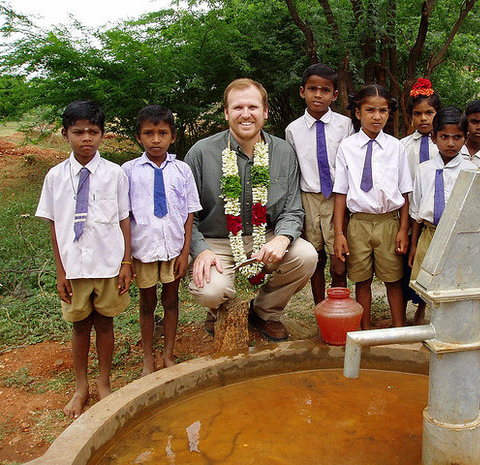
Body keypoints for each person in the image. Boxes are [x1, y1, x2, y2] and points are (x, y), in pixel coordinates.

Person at [185, 78, 318, 342]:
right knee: (212, 290)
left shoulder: (283, 151)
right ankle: (219, 310)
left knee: (306, 256)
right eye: (237, 108)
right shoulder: (201, 153)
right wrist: (201, 251)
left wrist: (282, 238)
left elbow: (292, 209)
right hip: (215, 241)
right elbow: (187, 217)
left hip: (265, 237)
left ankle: (264, 312)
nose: (246, 114)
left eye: (253, 107)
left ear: (265, 112)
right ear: (226, 112)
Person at [35, 100, 132, 418]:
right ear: (65, 134)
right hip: (74, 267)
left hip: (107, 263)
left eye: (93, 131)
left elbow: (123, 220)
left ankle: (103, 384)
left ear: (103, 135)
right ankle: (81, 387)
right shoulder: (55, 177)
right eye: (78, 132)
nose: (86, 138)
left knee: (105, 323)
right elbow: (55, 226)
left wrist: (126, 263)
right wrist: (61, 271)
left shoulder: (114, 174)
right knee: (79, 327)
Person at [122, 105, 201, 376]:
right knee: (146, 304)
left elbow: (190, 212)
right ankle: (147, 358)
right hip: (142, 250)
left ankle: (167, 353)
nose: (156, 140)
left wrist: (184, 252)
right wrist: (126, 258)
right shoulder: (128, 171)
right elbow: (124, 216)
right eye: (149, 133)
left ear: (173, 136)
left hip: (173, 250)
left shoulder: (182, 170)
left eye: (162, 133)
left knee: (171, 301)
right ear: (139, 137)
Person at [333, 84, 413, 330]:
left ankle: (399, 327)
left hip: (389, 223)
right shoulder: (347, 147)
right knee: (361, 279)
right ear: (358, 113)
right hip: (359, 223)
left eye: (383, 111)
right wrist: (339, 233)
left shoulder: (396, 147)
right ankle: (364, 329)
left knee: (393, 279)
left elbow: (405, 192)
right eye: (370, 110)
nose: (377, 116)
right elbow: (340, 193)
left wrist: (403, 229)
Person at [285, 63, 354, 304]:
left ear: (334, 95)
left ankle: (339, 306)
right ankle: (319, 308)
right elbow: (293, 172)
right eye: (312, 89)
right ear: (302, 91)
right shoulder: (293, 130)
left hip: (337, 197)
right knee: (315, 257)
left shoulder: (345, 125)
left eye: (325, 90)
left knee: (338, 260)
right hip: (308, 198)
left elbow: (349, 167)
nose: (318, 95)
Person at [408, 107, 477, 324]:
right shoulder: (424, 169)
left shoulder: (472, 171)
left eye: (457, 137)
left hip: (458, 235)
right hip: (429, 233)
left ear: (465, 138)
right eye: (444, 137)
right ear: (434, 137)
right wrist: (413, 245)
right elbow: (417, 210)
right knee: (423, 278)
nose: (450, 143)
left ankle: (449, 322)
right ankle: (420, 314)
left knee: (452, 280)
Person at [399, 78, 443, 309]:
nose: (424, 118)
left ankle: (427, 310)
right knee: (409, 264)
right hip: (410, 215)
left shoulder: (446, 145)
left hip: (435, 218)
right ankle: (410, 310)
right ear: (411, 116)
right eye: (418, 113)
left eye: (429, 112)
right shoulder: (403, 146)